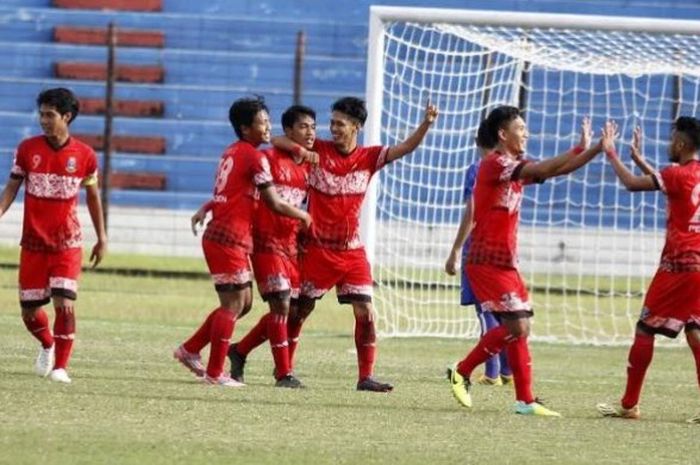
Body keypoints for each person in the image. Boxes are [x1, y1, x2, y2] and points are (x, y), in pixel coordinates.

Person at [448, 105, 612, 416]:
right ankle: (464, 371)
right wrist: (580, 147)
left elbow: (555, 170)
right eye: (521, 129)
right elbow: (541, 170)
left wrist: (594, 150)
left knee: (520, 327)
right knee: (518, 324)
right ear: (502, 134)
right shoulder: (494, 164)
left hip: (505, 261)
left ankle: (523, 400)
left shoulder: (513, 166)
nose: (527, 134)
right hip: (484, 260)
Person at [271, 96, 438, 392]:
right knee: (300, 310)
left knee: (366, 312)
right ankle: (285, 370)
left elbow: (406, 148)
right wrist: (300, 149)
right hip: (317, 249)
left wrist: (426, 124)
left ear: (356, 127)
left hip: (352, 251)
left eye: (340, 123)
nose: (332, 128)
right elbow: (277, 139)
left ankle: (365, 377)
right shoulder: (317, 150)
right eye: (332, 122)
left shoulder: (370, 157)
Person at [174, 97, 311, 387]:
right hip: (229, 237)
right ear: (245, 127)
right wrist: (303, 216)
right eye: (262, 122)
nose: (267, 127)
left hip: (230, 236)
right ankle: (214, 372)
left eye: (268, 121)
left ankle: (190, 349)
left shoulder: (232, 152)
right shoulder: (256, 157)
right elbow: (273, 202)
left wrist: (207, 206)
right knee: (234, 304)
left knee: (244, 303)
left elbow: (232, 192)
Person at [0, 87, 107, 384]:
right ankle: (48, 344)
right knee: (30, 312)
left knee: (65, 302)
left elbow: (94, 198)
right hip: (33, 243)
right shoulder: (27, 149)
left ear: (67, 117)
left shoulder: (85, 155)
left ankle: (61, 366)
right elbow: (11, 187)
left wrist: (102, 237)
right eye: (41, 114)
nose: (44, 120)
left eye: (50, 115)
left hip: (67, 242)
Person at [596, 118, 700, 423]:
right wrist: (639, 160)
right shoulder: (688, 175)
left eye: (672, 139)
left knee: (645, 329)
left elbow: (631, 184)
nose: (669, 144)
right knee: (694, 332)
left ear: (680, 144)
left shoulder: (676, 174)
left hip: (679, 265)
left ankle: (629, 405)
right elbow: (672, 188)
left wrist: (610, 152)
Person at [444, 120, 512, 386]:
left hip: (479, 251)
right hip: (504, 248)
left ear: (477, 142)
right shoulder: (511, 168)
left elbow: (471, 211)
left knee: (485, 311)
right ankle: (507, 371)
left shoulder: (478, 169)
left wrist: (456, 249)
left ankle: (492, 372)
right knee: (505, 312)